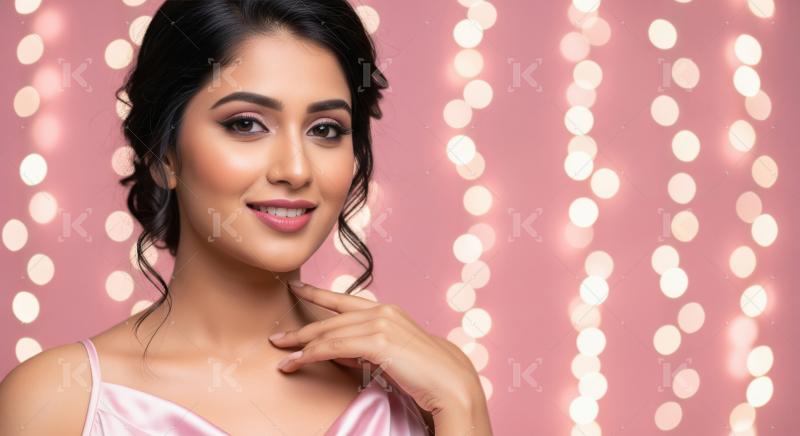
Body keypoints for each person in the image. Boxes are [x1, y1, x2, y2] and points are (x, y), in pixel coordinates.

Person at [0, 1, 493, 434]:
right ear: (163, 155)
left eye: (325, 129)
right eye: (245, 124)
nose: (296, 170)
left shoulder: (422, 387)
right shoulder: (62, 402)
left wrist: (463, 406)